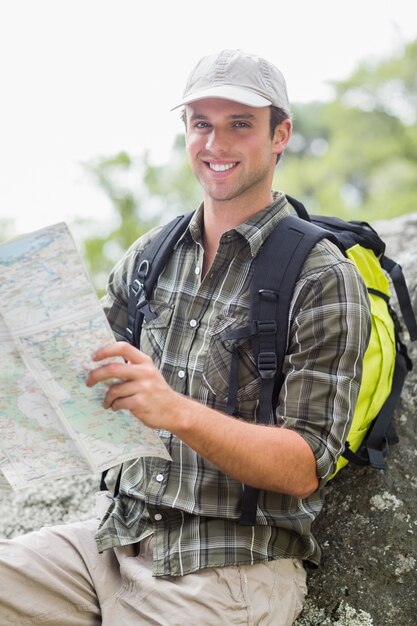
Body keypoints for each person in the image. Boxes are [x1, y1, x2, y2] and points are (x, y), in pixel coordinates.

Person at [0, 49, 370, 625]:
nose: (215, 144)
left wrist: (173, 410)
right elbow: (82, 387)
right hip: (113, 545)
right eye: (202, 124)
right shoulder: (152, 254)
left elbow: (305, 463)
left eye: (239, 125)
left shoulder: (320, 277)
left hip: (225, 571)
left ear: (281, 135)